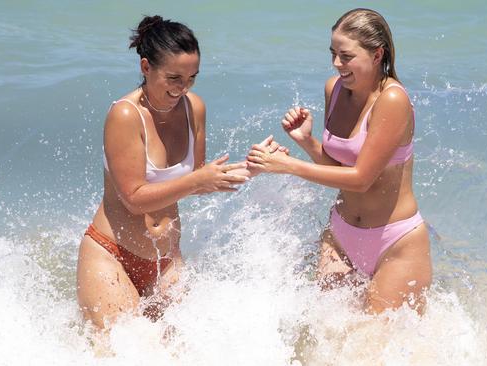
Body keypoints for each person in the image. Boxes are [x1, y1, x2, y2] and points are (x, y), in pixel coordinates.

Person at [76, 15, 279, 330]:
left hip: (165, 260)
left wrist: (252, 167)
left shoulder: (193, 108)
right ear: (146, 68)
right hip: (112, 255)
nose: (183, 88)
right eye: (174, 78)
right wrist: (197, 179)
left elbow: (195, 181)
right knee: (132, 353)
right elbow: (134, 199)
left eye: (192, 78)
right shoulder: (126, 115)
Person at [247, 8, 431, 314]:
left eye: (345, 56)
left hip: (395, 243)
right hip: (341, 236)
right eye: (333, 53)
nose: (336, 64)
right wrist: (306, 141)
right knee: (328, 340)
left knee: (373, 352)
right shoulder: (334, 90)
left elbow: (361, 178)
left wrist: (286, 166)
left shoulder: (392, 100)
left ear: (376, 55)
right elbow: (338, 170)